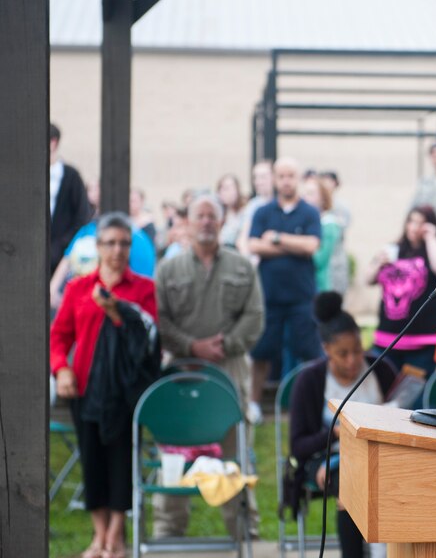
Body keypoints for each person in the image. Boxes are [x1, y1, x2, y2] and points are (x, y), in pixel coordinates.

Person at [152, 194, 264, 539]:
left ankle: (245, 531)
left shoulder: (241, 267)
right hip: (180, 374)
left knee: (234, 451)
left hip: (229, 369)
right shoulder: (168, 269)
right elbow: (160, 318)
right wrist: (191, 346)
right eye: (199, 216)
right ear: (187, 221)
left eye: (211, 216)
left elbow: (255, 315)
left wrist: (225, 345)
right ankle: (168, 531)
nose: (205, 222)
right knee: (173, 449)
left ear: (222, 220)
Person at [50, 212, 158, 558]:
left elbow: (149, 341)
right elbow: (59, 336)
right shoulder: (78, 287)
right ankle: (99, 536)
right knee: (92, 462)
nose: (117, 250)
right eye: (110, 242)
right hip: (84, 390)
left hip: (125, 393)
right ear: (97, 247)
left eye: (124, 243)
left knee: (121, 463)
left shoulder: (144, 289)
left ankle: (115, 537)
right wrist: (61, 370)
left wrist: (116, 312)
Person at [288, 291, 397, 558]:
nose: (352, 361)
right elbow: (298, 445)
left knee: (390, 479)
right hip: (329, 458)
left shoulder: (380, 370)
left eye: (357, 351)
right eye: (342, 353)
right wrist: (335, 434)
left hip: (382, 454)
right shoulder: (310, 381)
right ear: (326, 350)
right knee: (352, 483)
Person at [249, 157, 323, 423]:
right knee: (261, 352)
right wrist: (295, 245)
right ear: (275, 179)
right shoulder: (262, 212)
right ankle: (254, 405)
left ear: (298, 178)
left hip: (301, 297)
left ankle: (312, 405)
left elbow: (312, 246)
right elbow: (254, 245)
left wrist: (278, 238)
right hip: (269, 297)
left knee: (310, 352)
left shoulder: (310, 213)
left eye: (291, 175)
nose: (286, 181)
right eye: (281, 176)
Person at [367, 205, 436, 379]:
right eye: (411, 221)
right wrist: (378, 263)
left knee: (411, 400)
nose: (414, 227)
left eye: (421, 223)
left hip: (423, 343)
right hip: (387, 340)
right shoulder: (393, 249)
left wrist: (431, 238)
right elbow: (368, 279)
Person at [49, 122, 92, 274]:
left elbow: (82, 217)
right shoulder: (27, 178)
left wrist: (60, 246)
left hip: (63, 256)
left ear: (53, 143)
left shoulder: (71, 176)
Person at [301, 175, 346, 294]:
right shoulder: (303, 222)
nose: (305, 198)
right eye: (304, 193)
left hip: (320, 287)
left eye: (311, 193)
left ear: (323, 198)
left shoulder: (329, 224)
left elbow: (320, 260)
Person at [236, 161, 275, 259]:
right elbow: (243, 238)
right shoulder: (253, 206)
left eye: (263, 177)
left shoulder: (282, 203)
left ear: (274, 177)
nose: (258, 182)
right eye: (255, 177)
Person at [217, 173, 246, 249]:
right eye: (221, 189)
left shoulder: (245, 213)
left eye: (227, 188)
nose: (223, 192)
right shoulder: (219, 215)